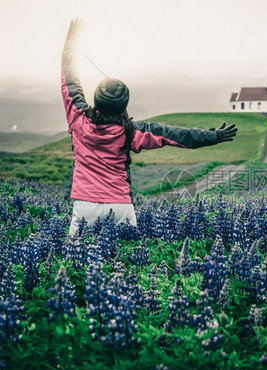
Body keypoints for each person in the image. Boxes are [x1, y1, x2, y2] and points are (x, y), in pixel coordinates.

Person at [62, 18, 237, 235]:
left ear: (96, 100)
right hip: (120, 206)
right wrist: (214, 136)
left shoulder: (77, 118)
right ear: (124, 105)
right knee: (124, 264)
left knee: (73, 264)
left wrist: (72, 40)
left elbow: (70, 78)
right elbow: (176, 135)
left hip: (84, 204)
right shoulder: (131, 132)